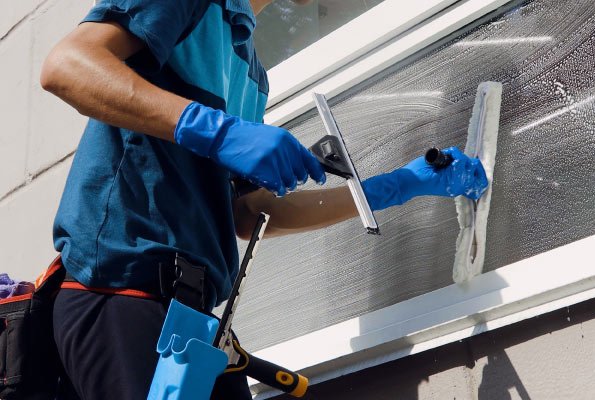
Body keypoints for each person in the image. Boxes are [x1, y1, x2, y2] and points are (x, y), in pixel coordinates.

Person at [39, 0, 488, 398]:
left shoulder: (251, 72)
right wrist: (221, 132)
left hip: (195, 320)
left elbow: (247, 214)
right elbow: (67, 66)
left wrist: (392, 187)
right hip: (120, 293)